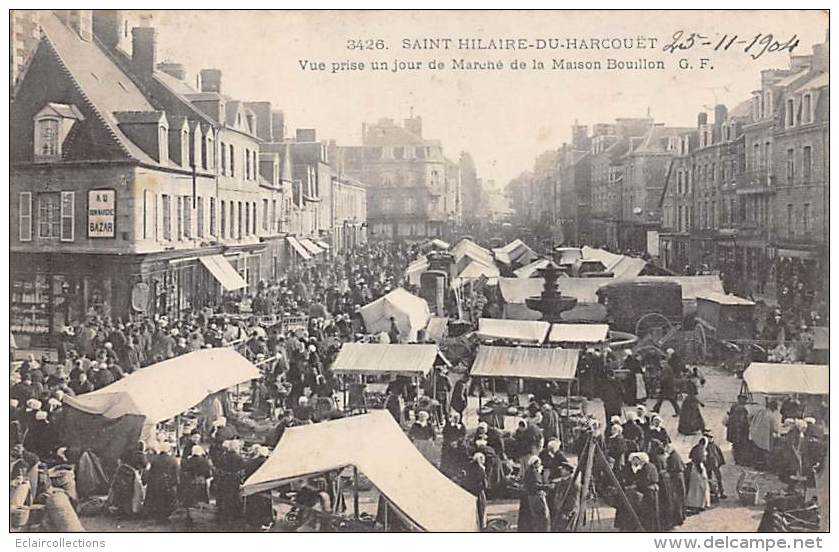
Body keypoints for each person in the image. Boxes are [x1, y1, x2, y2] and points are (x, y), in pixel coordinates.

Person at [143, 442, 179, 521]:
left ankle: (156, 514)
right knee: (167, 500)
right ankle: (165, 516)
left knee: (157, 500)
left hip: (155, 482)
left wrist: (147, 481)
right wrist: (174, 483)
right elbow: (175, 473)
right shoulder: (173, 460)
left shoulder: (154, 459)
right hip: (167, 482)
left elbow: (149, 471)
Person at [180, 445, 212, 525]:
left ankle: (190, 517)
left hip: (191, 482)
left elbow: (183, 470)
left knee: (190, 500)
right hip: (201, 482)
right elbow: (208, 474)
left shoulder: (189, 460)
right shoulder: (205, 461)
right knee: (201, 499)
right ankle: (201, 518)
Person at [517, 455, 550, 532]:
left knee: (534, 515)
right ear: (535, 463)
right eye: (539, 463)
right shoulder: (534, 472)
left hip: (530, 495)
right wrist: (547, 487)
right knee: (540, 515)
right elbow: (536, 485)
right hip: (535, 495)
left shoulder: (529, 471)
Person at [749, 400, 781, 469]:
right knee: (763, 451)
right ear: (773, 408)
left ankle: (756, 464)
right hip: (764, 436)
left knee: (757, 450)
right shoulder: (771, 415)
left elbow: (751, 418)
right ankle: (762, 465)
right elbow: (775, 428)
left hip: (755, 433)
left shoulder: (760, 411)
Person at [548, 461, 579, 531]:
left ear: (568, 471)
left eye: (563, 469)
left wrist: (566, 513)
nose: (561, 470)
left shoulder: (573, 484)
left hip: (565, 513)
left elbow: (573, 501)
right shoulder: (561, 481)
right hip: (557, 511)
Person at [463, 452, 489, 530]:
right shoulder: (481, 469)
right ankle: (482, 526)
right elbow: (485, 483)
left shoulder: (469, 467)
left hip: (471, 491)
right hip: (480, 491)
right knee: (481, 509)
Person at [724, 394, 752, 465]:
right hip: (739, 431)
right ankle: (740, 461)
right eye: (744, 400)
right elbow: (742, 421)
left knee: (736, 445)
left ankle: (737, 460)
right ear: (740, 399)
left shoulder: (733, 406)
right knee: (741, 446)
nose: (745, 401)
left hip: (733, 430)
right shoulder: (741, 409)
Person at [685, 439, 711, 513]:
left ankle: (692, 503)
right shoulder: (702, 449)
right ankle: (700, 504)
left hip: (693, 468)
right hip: (698, 468)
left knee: (693, 488)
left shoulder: (696, 447)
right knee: (701, 487)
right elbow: (700, 460)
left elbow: (690, 456)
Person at [666, 443, 687, 527]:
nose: (666, 449)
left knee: (676, 499)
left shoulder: (672, 457)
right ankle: (682, 516)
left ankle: (678, 519)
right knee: (681, 498)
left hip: (676, 479)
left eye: (667, 448)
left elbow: (671, 468)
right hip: (680, 478)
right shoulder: (676, 455)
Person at [703, 430, 727, 499]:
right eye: (708, 437)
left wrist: (721, 462)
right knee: (709, 479)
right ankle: (711, 492)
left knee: (719, 478)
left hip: (716, 465)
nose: (710, 439)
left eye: (711, 437)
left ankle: (721, 492)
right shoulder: (705, 447)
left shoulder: (715, 446)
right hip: (708, 465)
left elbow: (720, 454)